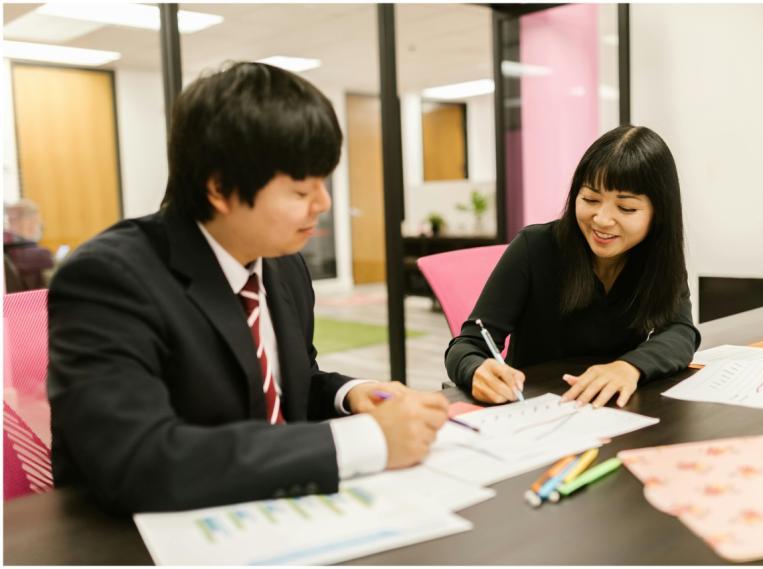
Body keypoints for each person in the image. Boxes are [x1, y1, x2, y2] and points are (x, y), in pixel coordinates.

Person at [48, 62, 449, 514]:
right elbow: (138, 458)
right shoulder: (111, 278)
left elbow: (284, 383)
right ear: (220, 189)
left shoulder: (283, 266)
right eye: (300, 191)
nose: (324, 203)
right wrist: (367, 441)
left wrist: (350, 393)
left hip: (273, 511)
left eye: (324, 182)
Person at [445, 125, 700, 408]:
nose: (602, 219)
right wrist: (476, 369)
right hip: (534, 410)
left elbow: (681, 332)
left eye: (626, 208)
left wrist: (630, 367)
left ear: (659, 213)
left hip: (613, 411)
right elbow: (467, 345)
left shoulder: (657, 258)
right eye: (590, 199)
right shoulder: (534, 248)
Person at [4, 198, 54, 291]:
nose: (41, 223)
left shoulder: (6, 246)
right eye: (37, 219)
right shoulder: (40, 255)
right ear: (30, 222)